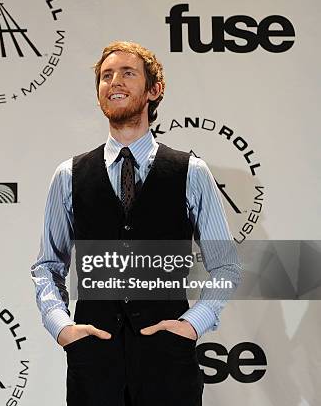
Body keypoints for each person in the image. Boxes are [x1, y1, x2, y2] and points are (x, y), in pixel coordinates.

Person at [31, 41, 241, 405]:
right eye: (106, 76)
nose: (115, 82)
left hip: (168, 367)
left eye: (128, 73)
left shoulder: (191, 172)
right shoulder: (68, 176)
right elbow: (48, 266)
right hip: (93, 368)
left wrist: (194, 323)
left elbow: (225, 265)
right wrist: (61, 326)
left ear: (153, 90)